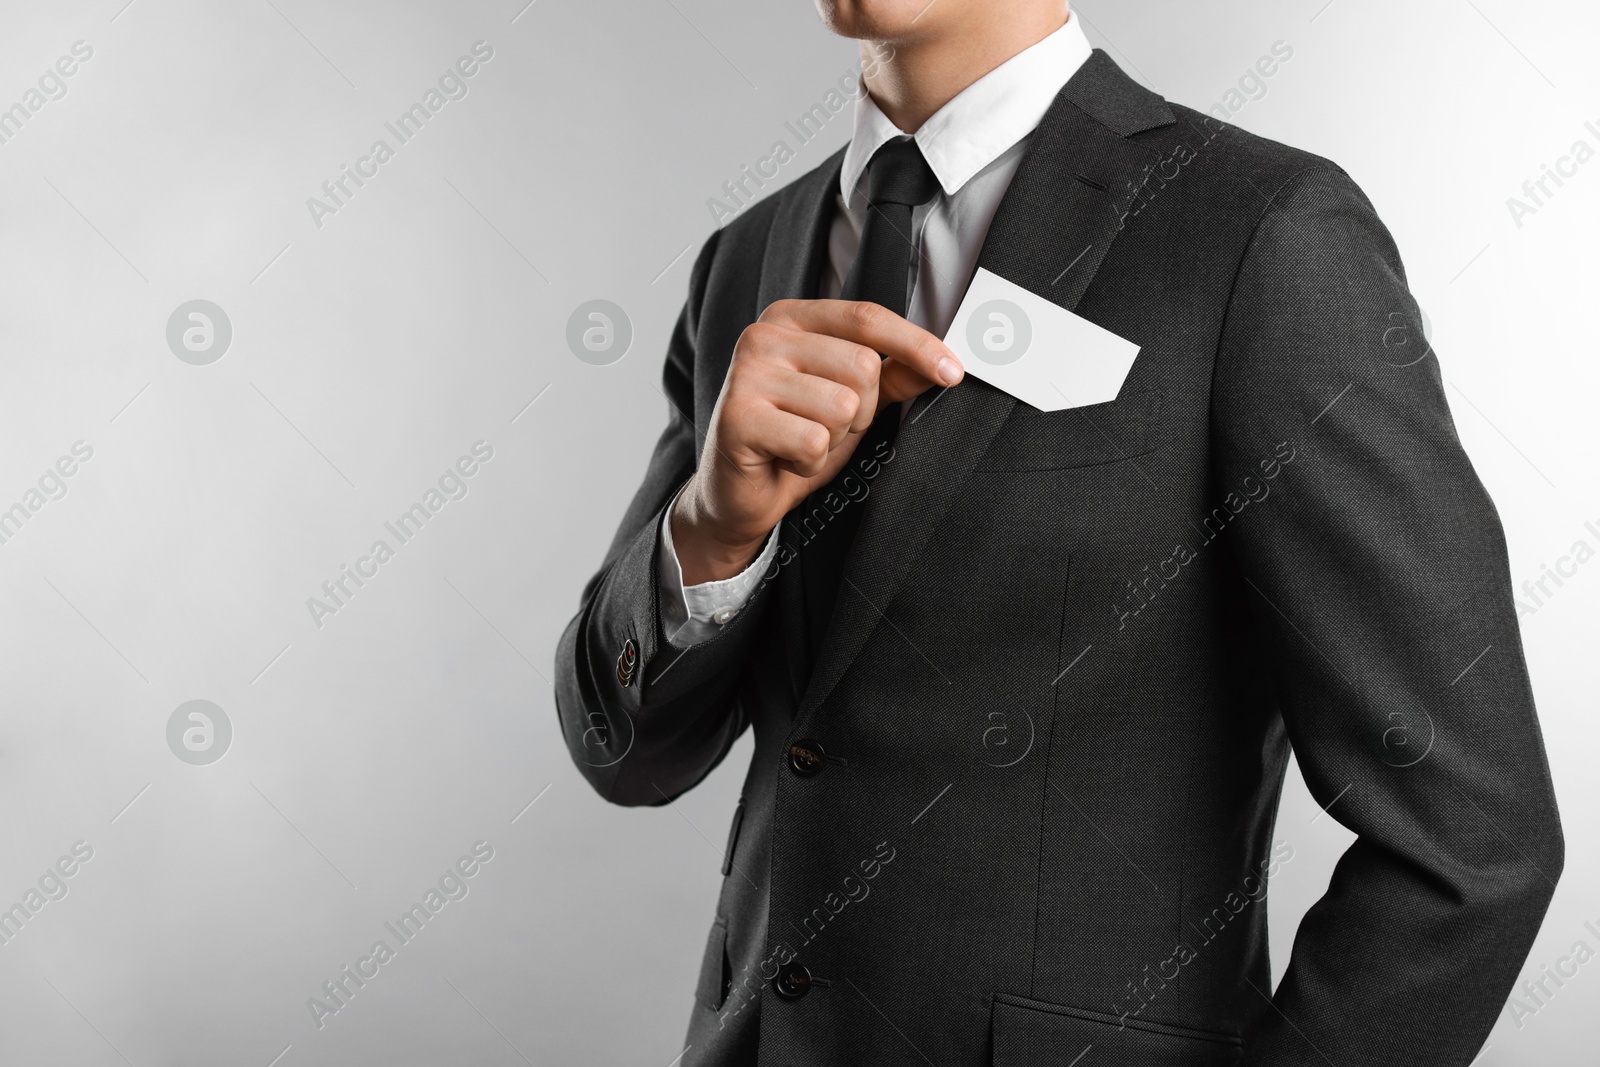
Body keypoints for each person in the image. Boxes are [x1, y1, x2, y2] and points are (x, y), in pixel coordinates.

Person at [554, 2, 1564, 1063]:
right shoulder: (745, 258)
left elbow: (1473, 844)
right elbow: (623, 753)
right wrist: (711, 531)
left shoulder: (1260, 231)